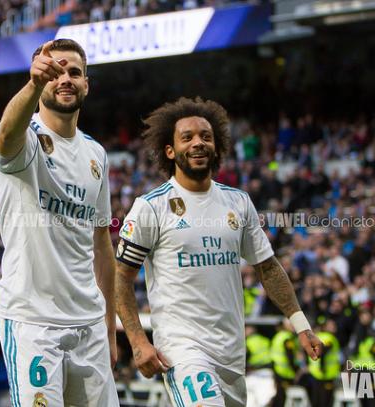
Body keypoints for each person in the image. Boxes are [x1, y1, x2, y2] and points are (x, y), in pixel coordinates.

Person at [115, 97, 323, 406]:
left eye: (206, 136)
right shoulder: (151, 207)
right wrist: (137, 340)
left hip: (231, 352)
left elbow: (267, 267)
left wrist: (301, 325)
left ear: (217, 146)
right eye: (187, 137)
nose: (198, 143)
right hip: (182, 349)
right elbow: (121, 276)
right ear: (169, 151)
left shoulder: (238, 202)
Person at [0, 39, 118, 406]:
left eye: (74, 73)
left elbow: (101, 245)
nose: (65, 79)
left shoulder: (96, 154)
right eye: (55, 72)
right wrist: (31, 85)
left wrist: (109, 328)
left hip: (90, 323)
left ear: (86, 84)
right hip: (33, 321)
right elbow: (5, 137)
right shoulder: (25, 139)